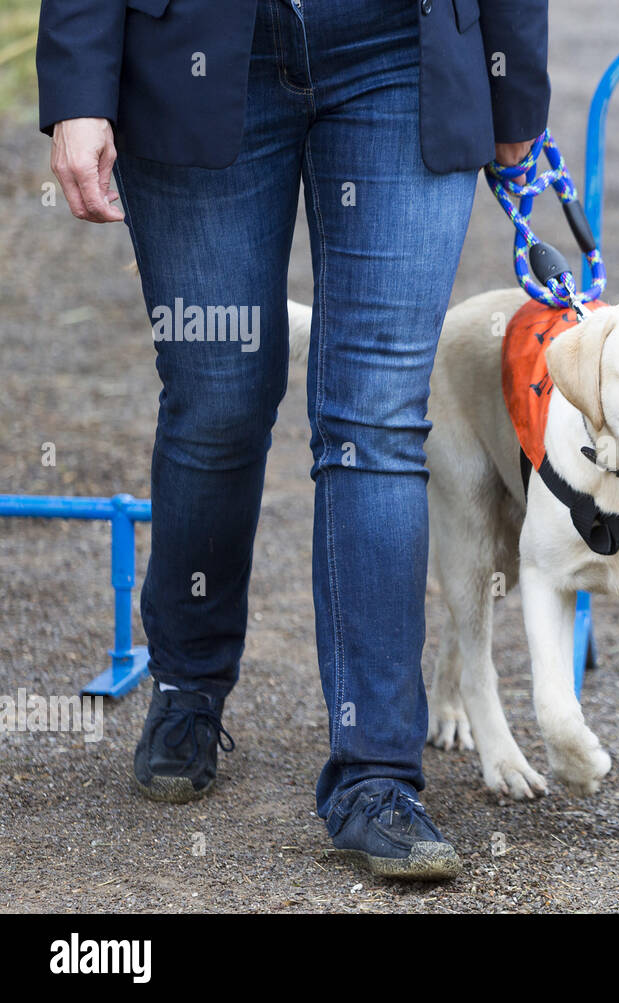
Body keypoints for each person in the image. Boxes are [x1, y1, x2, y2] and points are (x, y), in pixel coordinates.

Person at [36, 0, 549, 881]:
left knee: (378, 418)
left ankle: (377, 776)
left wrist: (515, 81)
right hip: (193, 46)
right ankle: (189, 683)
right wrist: (80, 85)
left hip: (407, 50)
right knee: (218, 395)